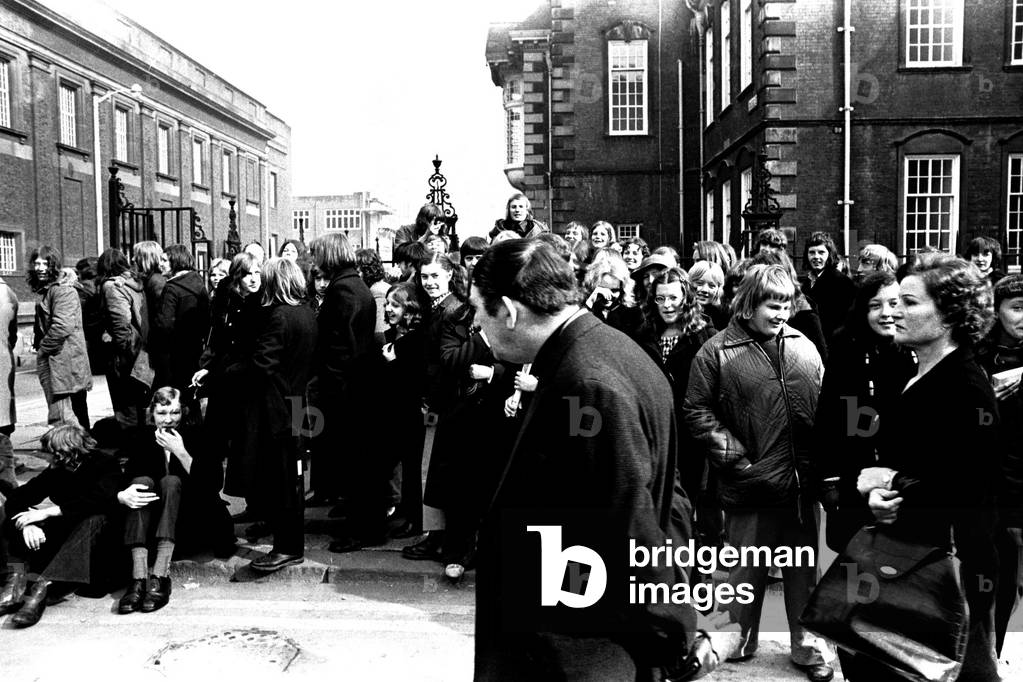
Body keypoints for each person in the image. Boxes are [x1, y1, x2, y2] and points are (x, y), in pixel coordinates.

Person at [469, 239, 703, 681]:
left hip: (577, 644)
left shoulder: (586, 383)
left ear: (510, 311)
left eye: (478, 310)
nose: (477, 324)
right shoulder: (608, 351)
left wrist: (672, 628)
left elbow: (626, 515)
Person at [848, 254, 1000, 681]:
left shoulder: (965, 386)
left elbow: (969, 486)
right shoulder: (917, 371)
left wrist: (890, 481)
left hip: (948, 568)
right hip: (908, 555)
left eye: (909, 303)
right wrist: (881, 497)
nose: (894, 311)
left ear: (950, 314)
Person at [686, 264, 834, 682]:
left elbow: (823, 407)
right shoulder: (716, 351)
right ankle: (737, 638)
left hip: (801, 486)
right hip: (749, 486)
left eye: (787, 303)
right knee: (744, 570)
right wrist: (740, 462)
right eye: (773, 304)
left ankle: (808, 645)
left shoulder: (804, 345)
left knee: (804, 570)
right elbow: (697, 411)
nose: (782, 312)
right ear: (750, 304)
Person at [812, 271, 916, 552]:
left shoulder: (915, 349)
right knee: (856, 567)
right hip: (854, 475)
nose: (886, 313)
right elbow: (830, 416)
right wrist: (829, 480)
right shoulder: (847, 346)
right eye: (875, 305)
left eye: (894, 303)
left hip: (903, 480)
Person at [116, 387, 235, 613]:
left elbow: (213, 485)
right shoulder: (142, 438)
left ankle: (160, 575)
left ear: (184, 412)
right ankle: (139, 579)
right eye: (162, 413)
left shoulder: (199, 436)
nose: (168, 420)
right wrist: (125, 494)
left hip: (191, 521)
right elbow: (125, 480)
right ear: (151, 414)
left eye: (175, 413)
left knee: (171, 481)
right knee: (140, 481)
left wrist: (180, 452)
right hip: (153, 526)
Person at [233, 259, 318, 571]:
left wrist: (224, 374)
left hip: (277, 408)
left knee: (283, 479)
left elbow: (261, 364)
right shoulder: (306, 312)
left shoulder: (280, 316)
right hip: (298, 402)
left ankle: (287, 547)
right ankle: (288, 544)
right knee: (293, 478)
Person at [0, 424, 124, 627]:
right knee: (17, 517)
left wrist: (48, 512)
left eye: (49, 453)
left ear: (64, 453)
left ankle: (42, 589)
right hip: (69, 527)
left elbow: (98, 500)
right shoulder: (58, 469)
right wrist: (28, 526)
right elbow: (17, 498)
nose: (44, 457)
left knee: (94, 519)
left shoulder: (104, 463)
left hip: (100, 536)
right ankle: (15, 581)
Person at [310, 234, 384, 553]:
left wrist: (332, 385)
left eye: (316, 254)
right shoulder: (354, 285)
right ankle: (362, 523)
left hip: (347, 390)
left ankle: (361, 530)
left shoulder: (342, 289)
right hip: (359, 386)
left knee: (355, 465)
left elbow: (342, 346)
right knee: (359, 464)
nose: (314, 260)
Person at [400, 252, 465, 561]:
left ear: (449, 276)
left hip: (444, 401)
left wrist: (431, 399)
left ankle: (436, 537)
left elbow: (446, 362)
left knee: (434, 470)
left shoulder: (452, 310)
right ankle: (435, 535)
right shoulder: (438, 307)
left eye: (435, 276)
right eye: (425, 277)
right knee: (431, 469)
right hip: (435, 398)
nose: (429, 282)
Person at [192, 252, 264, 529]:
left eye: (257, 272)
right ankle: (219, 503)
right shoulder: (226, 299)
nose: (254, 278)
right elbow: (221, 341)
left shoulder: (260, 302)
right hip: (226, 380)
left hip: (246, 382)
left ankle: (256, 504)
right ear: (237, 277)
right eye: (248, 274)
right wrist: (209, 368)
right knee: (220, 443)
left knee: (248, 445)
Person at [973, 273, 1023, 656]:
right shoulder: (978, 352)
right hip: (991, 481)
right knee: (995, 576)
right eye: (1017, 308)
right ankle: (986, 652)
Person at [30, 246, 92, 428]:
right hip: (62, 362)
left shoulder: (62, 290)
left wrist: (43, 349)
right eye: (37, 263)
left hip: (65, 362)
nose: (40, 267)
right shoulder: (51, 290)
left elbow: (62, 326)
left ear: (54, 265)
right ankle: (80, 450)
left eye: (45, 263)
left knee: (68, 415)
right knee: (72, 412)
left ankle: (77, 451)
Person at [98, 248, 153, 435]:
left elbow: (121, 323)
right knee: (140, 402)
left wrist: (121, 350)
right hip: (141, 347)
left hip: (125, 352)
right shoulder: (136, 282)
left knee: (125, 404)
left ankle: (132, 450)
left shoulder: (112, 287)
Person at [152, 245, 210, 409]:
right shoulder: (198, 284)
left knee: (169, 402)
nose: (160, 263)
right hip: (194, 352)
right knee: (190, 401)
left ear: (175, 261)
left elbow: (164, 325)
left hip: (173, 357)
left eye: (164, 260)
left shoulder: (171, 288)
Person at [799, 231, 856, 341]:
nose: (816, 257)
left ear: (829, 255)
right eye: (812, 252)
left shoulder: (841, 282)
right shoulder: (808, 281)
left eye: (821, 252)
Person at [581, 248, 643, 338]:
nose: (608, 296)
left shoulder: (633, 313)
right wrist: (590, 303)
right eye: (602, 288)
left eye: (614, 290)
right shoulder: (584, 305)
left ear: (623, 288)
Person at [74, 257, 106, 376]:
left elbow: (78, 311)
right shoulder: (100, 283)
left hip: (88, 326)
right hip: (99, 325)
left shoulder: (82, 288)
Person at [356, 248, 390, 346]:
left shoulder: (377, 293)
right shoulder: (382, 288)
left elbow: (380, 334)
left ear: (367, 271)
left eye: (357, 272)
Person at [134, 241, 168, 333]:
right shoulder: (152, 279)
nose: (133, 259)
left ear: (146, 258)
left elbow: (161, 315)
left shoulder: (157, 281)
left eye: (137, 256)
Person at [689, 260, 729, 330]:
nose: (705, 290)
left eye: (711, 286)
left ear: (718, 289)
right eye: (700, 283)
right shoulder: (681, 312)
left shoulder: (724, 316)